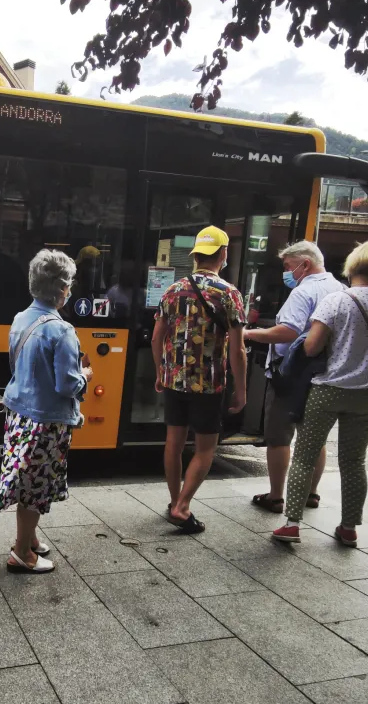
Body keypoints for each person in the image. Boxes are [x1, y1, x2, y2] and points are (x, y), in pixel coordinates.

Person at [272, 240, 368, 547]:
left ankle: (291, 524)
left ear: (354, 263)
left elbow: (312, 346)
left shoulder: (336, 300)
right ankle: (348, 528)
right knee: (354, 462)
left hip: (329, 389)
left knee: (304, 456)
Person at [0, 249, 91, 574]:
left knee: (26, 482)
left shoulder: (21, 318)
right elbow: (67, 385)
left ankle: (30, 539)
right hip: (46, 422)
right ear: (62, 289)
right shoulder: (62, 331)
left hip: (19, 415)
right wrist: (86, 377)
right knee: (35, 489)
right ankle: (22, 552)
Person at [153, 226, 247, 533]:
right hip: (208, 382)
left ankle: (173, 501)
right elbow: (238, 349)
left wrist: (159, 372)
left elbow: (157, 338)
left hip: (173, 379)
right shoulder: (229, 293)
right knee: (206, 446)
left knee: (174, 442)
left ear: (195, 255)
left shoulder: (173, 289)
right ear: (223, 254)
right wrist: (241, 390)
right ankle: (182, 506)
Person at [243, 241, 344, 513]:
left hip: (291, 375)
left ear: (305, 264)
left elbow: (287, 331)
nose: (286, 273)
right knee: (315, 437)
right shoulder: (341, 290)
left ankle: (276, 497)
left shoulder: (304, 291)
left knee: (279, 437)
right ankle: (311, 494)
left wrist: (248, 334)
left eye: (289, 267)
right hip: (325, 374)